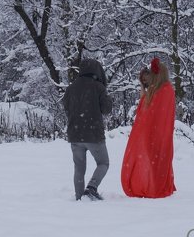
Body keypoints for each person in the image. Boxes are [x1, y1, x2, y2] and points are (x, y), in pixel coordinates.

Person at [121, 57, 177, 198]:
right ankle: (150, 183)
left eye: (147, 79)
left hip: (154, 133)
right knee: (154, 159)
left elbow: (150, 113)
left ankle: (150, 185)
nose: (146, 82)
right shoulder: (163, 90)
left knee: (153, 159)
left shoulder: (162, 91)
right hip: (155, 134)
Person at [62, 57, 113, 201]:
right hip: (93, 134)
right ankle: (91, 188)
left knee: (79, 168)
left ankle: (79, 198)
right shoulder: (98, 87)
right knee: (103, 163)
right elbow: (106, 109)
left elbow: (66, 107)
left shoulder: (71, 88)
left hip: (75, 134)